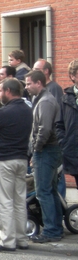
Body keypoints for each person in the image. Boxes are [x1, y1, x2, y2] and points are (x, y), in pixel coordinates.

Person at [0, 79, 33, 252]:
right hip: (21, 159)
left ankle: (7, 241)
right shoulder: (27, 110)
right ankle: (22, 238)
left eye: (0, 91)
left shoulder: (3, 112)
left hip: (3, 160)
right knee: (19, 201)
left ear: (8, 91)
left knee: (3, 201)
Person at [24, 70, 63, 243]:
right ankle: (55, 228)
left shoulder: (46, 101)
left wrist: (36, 149)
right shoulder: (39, 100)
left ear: (38, 83)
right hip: (48, 150)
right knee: (50, 190)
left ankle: (51, 230)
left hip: (46, 150)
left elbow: (44, 129)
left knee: (43, 192)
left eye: (28, 83)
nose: (26, 87)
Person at [57, 60, 78, 189]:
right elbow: (59, 125)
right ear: (73, 76)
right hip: (73, 152)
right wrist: (64, 143)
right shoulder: (65, 99)